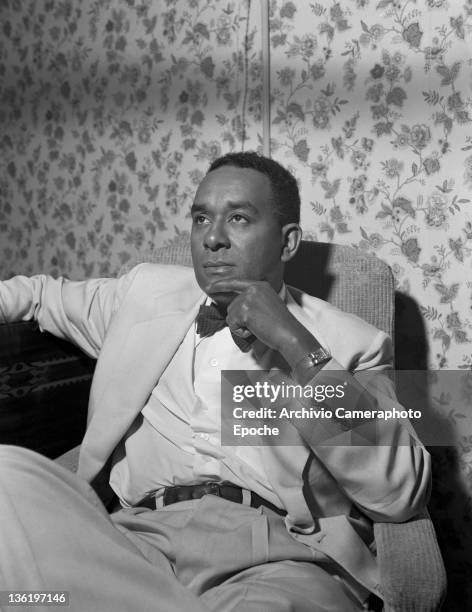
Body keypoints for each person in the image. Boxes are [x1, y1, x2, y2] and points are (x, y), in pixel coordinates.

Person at [0, 152, 430, 612]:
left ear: (287, 243)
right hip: (134, 544)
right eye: (201, 218)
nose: (212, 238)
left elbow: (399, 493)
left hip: (277, 558)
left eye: (239, 218)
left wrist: (295, 344)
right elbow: (39, 294)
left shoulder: (352, 343)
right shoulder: (145, 293)